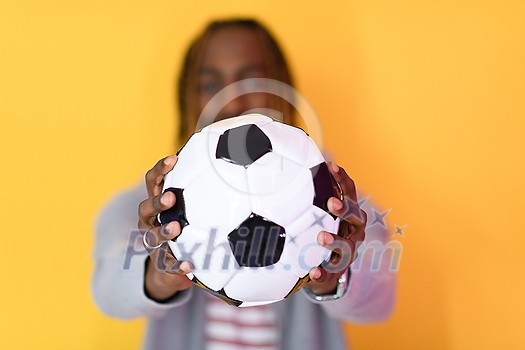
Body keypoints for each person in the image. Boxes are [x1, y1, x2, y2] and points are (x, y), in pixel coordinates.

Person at [92, 19, 396, 350]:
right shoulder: (152, 205)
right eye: (210, 85)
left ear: (283, 89)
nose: (232, 103)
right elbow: (108, 291)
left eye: (250, 82)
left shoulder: (332, 196)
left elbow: (380, 300)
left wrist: (333, 278)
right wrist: (157, 276)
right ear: (187, 99)